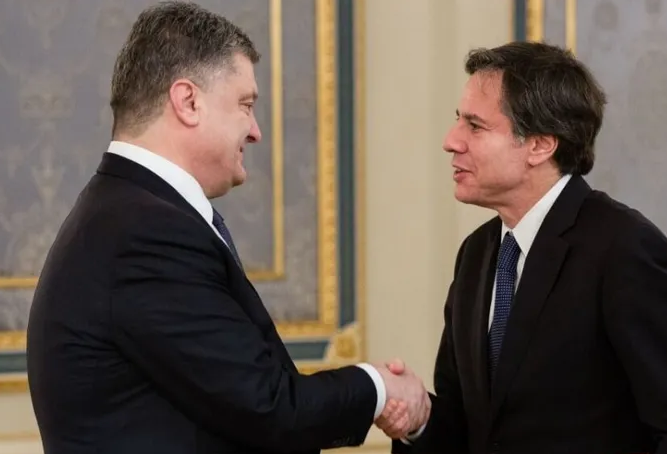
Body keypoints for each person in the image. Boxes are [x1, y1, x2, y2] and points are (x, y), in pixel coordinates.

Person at [25, 2, 428, 453]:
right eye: (245, 105)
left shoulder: (123, 213)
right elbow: (269, 408)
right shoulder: (145, 234)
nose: (255, 131)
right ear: (188, 102)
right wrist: (378, 387)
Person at [381, 42, 667, 453]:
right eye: (459, 120)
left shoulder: (626, 250)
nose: (451, 141)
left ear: (540, 145)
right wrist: (419, 421)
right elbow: (472, 432)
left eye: (475, 126)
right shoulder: (476, 253)